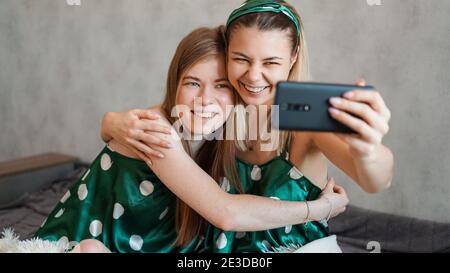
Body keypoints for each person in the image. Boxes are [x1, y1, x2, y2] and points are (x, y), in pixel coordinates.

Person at [101, 0, 393, 253]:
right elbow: (154, 119)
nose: (254, 76)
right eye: (241, 59)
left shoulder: (303, 122)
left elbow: (375, 181)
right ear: (227, 54)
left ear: (292, 58)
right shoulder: (217, 112)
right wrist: (112, 121)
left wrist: (368, 152)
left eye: (271, 62)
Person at [35, 25, 348, 253]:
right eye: (193, 83)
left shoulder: (225, 132)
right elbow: (226, 213)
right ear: (175, 85)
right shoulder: (158, 130)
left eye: (221, 85)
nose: (205, 99)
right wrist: (321, 208)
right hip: (87, 245)